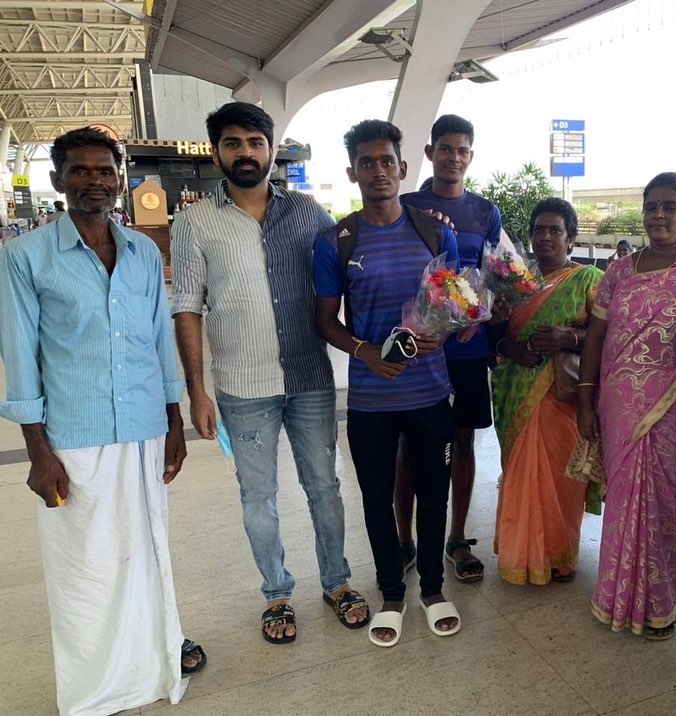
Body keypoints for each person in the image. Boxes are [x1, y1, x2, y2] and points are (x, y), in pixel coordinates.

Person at [0, 126, 205, 716]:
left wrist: (173, 422)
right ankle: (96, 689)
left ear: (121, 177)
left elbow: (158, 344)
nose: (95, 181)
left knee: (146, 551)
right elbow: (20, 358)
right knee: (85, 567)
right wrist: (37, 452)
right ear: (57, 179)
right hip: (74, 436)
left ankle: (153, 665)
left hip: (142, 427)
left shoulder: (143, 252)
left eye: (105, 170)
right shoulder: (24, 258)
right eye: (81, 171)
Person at [171, 102, 368, 645]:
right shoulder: (194, 222)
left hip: (309, 379)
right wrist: (197, 390)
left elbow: (355, 265)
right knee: (258, 497)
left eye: (255, 142)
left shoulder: (309, 214)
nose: (246, 153)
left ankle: (337, 582)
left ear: (271, 148)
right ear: (217, 152)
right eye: (233, 143)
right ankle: (276, 593)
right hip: (241, 386)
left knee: (325, 488)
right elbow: (186, 305)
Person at [314, 118, 461, 647]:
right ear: (352, 172)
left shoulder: (435, 231)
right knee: (376, 500)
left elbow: (455, 305)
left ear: (402, 168)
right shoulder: (337, 241)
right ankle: (392, 594)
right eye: (366, 163)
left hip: (429, 395)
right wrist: (366, 352)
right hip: (372, 400)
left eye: (386, 161)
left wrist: (442, 333)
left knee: (433, 494)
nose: (378, 170)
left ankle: (434, 591)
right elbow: (326, 319)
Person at [578, 173, 676, 639]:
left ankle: (661, 603)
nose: (659, 215)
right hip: (619, 404)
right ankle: (615, 597)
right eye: (651, 206)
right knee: (625, 501)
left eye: (671, 206)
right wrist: (585, 394)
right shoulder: (620, 269)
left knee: (674, 502)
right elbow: (597, 336)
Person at [396, 114, 503, 583]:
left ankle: (457, 537)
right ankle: (404, 541)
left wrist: (476, 318)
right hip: (420, 349)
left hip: (466, 350)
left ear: (471, 156)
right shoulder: (407, 204)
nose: (453, 157)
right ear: (429, 152)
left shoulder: (485, 211)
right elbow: (401, 269)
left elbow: (497, 276)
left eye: (462, 150)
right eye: (445, 148)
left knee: (463, 441)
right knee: (409, 445)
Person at [489, 198, 603, 585]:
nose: (547, 236)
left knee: (559, 479)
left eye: (556, 230)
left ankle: (559, 556)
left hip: (563, 398)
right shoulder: (514, 282)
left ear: (571, 238)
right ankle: (521, 558)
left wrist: (568, 336)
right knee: (522, 473)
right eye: (540, 229)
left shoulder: (588, 280)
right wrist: (509, 347)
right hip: (515, 391)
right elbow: (490, 335)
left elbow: (611, 336)